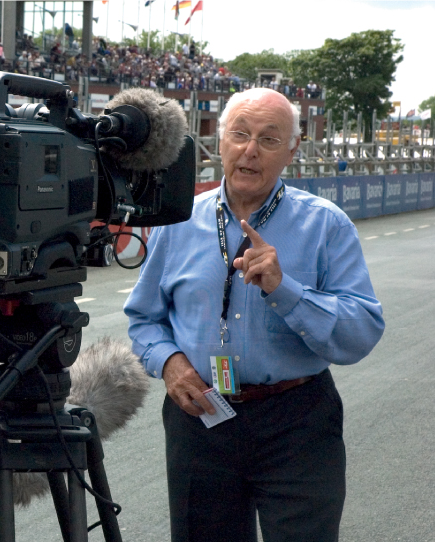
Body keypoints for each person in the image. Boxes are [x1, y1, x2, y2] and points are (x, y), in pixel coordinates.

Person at [124, 88, 384, 542]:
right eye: (240, 134)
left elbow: (361, 332)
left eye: (268, 138)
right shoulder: (178, 221)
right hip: (200, 418)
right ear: (220, 140)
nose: (249, 150)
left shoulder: (327, 225)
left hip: (298, 422)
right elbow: (144, 318)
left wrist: (287, 291)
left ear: (291, 151)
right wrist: (169, 363)